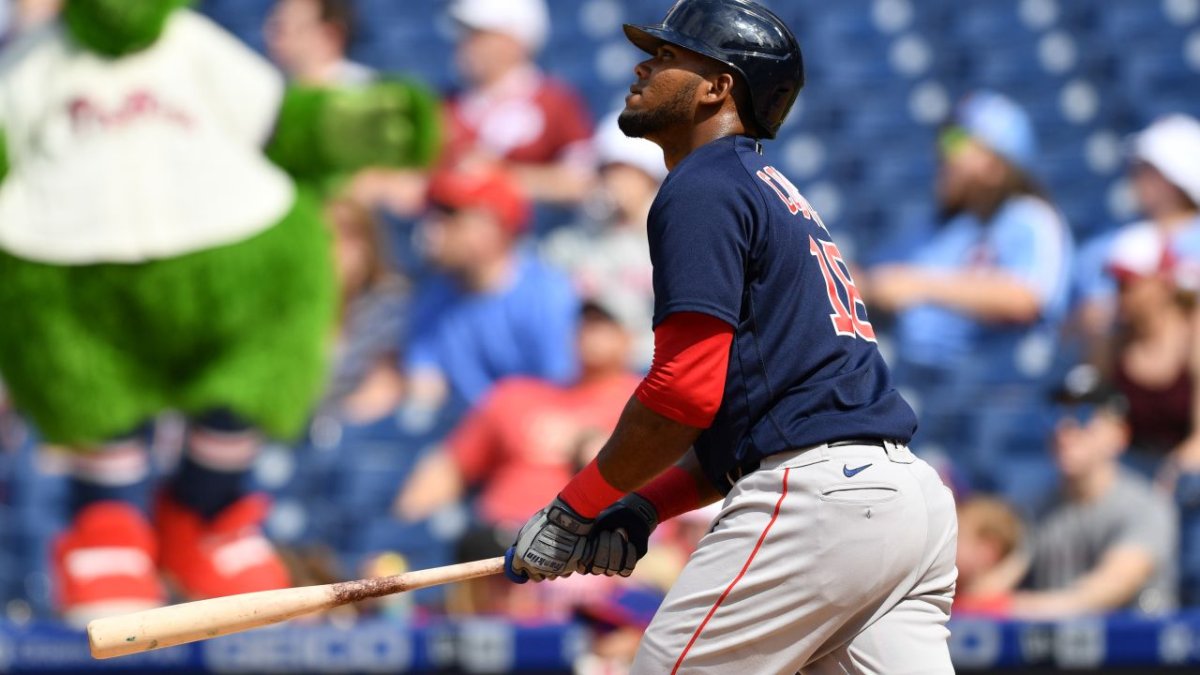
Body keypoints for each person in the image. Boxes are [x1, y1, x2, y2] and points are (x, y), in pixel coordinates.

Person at [503, 1, 958, 672]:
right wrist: (640, 506)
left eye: (666, 57)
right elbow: (745, 428)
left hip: (822, 503)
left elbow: (683, 393)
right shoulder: (765, 187)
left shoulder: (703, 186)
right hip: (904, 503)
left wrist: (576, 507)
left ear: (718, 87)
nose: (642, 65)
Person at [0, 0, 438, 623]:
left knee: (272, 314)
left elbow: (281, 124)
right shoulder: (36, 65)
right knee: (87, 379)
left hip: (220, 242)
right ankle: (110, 528)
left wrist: (349, 126)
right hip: (70, 258)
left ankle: (205, 514)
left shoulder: (194, 47)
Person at [865, 91, 1074, 499]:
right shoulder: (937, 227)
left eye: (957, 143)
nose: (943, 154)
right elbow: (878, 279)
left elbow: (1028, 297)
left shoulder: (1029, 218)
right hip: (926, 388)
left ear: (997, 163)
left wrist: (922, 284)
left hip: (1003, 396)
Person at [401, 165, 579, 425]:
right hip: (463, 442)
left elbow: (563, 394)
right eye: (432, 214)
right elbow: (424, 393)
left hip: (536, 438)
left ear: (494, 227)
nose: (432, 230)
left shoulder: (548, 294)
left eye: (450, 215)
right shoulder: (432, 297)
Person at [1005, 366, 1178, 618]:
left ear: (1119, 435)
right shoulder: (1034, 507)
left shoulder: (1146, 505)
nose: (1065, 428)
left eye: (1084, 415)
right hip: (1053, 652)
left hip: (1139, 653)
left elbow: (1111, 587)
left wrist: (1011, 607)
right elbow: (1000, 577)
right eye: (1056, 414)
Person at [543, 111, 665, 371]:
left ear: (650, 177)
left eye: (625, 171)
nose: (613, 182)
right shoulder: (568, 244)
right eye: (607, 171)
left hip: (651, 371)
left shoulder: (674, 240)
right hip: (586, 373)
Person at [442, 0, 594, 206]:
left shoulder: (555, 100)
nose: (465, 44)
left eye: (479, 34)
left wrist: (499, 177)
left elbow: (582, 182)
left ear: (514, 41)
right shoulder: (447, 106)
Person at [1104, 227, 1195, 472]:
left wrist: (1172, 471)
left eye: (1129, 284)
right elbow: (1103, 424)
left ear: (1162, 283)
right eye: (1117, 285)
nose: (1120, 295)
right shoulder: (1109, 344)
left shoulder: (1194, 338)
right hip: (1132, 471)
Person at [264, 0, 373, 86]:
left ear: (330, 34)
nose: (271, 37)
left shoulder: (365, 90)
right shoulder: (276, 90)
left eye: (282, 29)